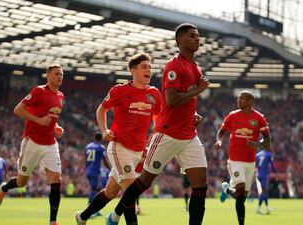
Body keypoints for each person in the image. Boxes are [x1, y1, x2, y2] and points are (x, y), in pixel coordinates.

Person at [106, 23, 210, 225]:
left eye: (198, 35)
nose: (197, 39)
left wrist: (193, 113)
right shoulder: (174, 66)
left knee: (201, 186)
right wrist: (199, 89)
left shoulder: (196, 67)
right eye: (192, 36)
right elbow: (171, 100)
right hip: (167, 133)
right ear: (180, 40)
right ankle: (115, 216)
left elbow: (186, 100)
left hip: (189, 135)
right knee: (144, 181)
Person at [74, 52, 162, 225]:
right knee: (131, 188)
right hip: (119, 147)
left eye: (150, 67)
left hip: (138, 150)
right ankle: (117, 219)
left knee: (111, 192)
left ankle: (82, 217)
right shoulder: (119, 90)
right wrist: (104, 129)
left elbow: (157, 117)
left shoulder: (155, 93)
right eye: (144, 67)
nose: (149, 70)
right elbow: (101, 110)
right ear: (133, 71)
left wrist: (155, 131)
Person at [0, 64, 65, 225]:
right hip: (32, 141)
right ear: (48, 76)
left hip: (50, 143)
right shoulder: (39, 91)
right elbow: (18, 109)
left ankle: (53, 221)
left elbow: (52, 119)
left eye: (61, 74)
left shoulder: (61, 96)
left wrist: (56, 127)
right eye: (56, 74)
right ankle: (4, 188)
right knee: (21, 182)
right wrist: (38, 120)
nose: (59, 77)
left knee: (56, 179)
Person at [214, 91, 270, 225]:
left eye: (242, 99)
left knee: (242, 198)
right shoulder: (232, 116)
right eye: (238, 99)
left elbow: (267, 139)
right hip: (234, 159)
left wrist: (257, 144)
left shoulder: (259, 118)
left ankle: (227, 189)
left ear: (250, 102)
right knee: (240, 191)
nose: (238, 101)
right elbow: (220, 133)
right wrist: (219, 141)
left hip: (250, 161)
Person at [85, 133, 109, 218]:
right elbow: (104, 160)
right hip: (95, 170)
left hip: (88, 170)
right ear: (101, 139)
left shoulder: (87, 146)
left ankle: (95, 210)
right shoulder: (100, 147)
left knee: (97, 189)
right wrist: (110, 168)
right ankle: (89, 210)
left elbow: (86, 160)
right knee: (94, 189)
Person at [255, 146, 277, 214]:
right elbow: (272, 165)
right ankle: (258, 208)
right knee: (264, 192)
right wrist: (276, 173)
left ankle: (267, 207)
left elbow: (255, 165)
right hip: (265, 175)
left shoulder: (257, 154)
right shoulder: (269, 155)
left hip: (259, 175)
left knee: (264, 192)